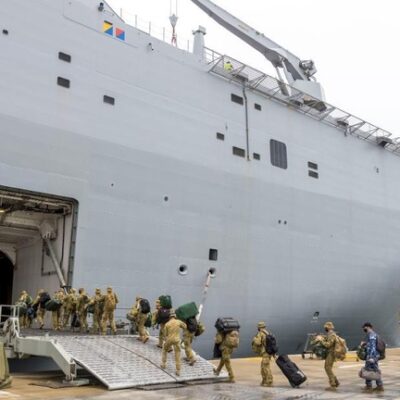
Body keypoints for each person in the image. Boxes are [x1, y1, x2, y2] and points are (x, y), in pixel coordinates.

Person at [160, 309, 187, 376]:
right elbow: (185, 327)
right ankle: (178, 370)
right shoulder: (178, 322)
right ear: (175, 316)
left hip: (169, 339)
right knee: (177, 354)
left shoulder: (167, 324)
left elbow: (165, 334)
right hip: (177, 340)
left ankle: (163, 364)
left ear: (169, 316)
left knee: (164, 350)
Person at [315, 321, 340, 391]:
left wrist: (321, 340)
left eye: (325, 327)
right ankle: (336, 382)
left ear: (328, 327)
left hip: (331, 353)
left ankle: (333, 384)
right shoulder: (329, 334)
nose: (325, 328)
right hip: (330, 353)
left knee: (327, 368)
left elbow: (328, 345)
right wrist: (322, 337)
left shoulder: (332, 335)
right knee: (328, 367)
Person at [361, 322, 384, 392]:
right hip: (372, 356)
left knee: (373, 370)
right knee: (369, 370)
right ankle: (371, 386)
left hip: (372, 356)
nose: (363, 329)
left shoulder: (372, 335)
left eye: (364, 327)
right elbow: (370, 345)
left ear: (368, 327)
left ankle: (377, 386)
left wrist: (371, 358)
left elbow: (373, 347)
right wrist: (365, 344)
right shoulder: (371, 334)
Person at [252, 321, 273, 387]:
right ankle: (264, 380)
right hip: (268, 352)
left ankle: (269, 381)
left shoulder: (260, 333)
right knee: (263, 367)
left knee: (265, 367)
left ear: (259, 327)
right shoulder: (267, 333)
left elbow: (258, 343)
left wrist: (254, 339)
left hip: (265, 353)